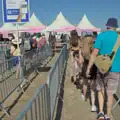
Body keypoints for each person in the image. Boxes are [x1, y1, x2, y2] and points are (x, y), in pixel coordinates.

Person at [86, 18, 120, 120]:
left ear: (107, 26)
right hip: (116, 70)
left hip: (101, 68)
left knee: (100, 90)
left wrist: (89, 67)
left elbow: (95, 52)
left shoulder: (101, 36)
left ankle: (100, 112)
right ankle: (108, 115)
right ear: (115, 27)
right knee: (110, 94)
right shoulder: (119, 38)